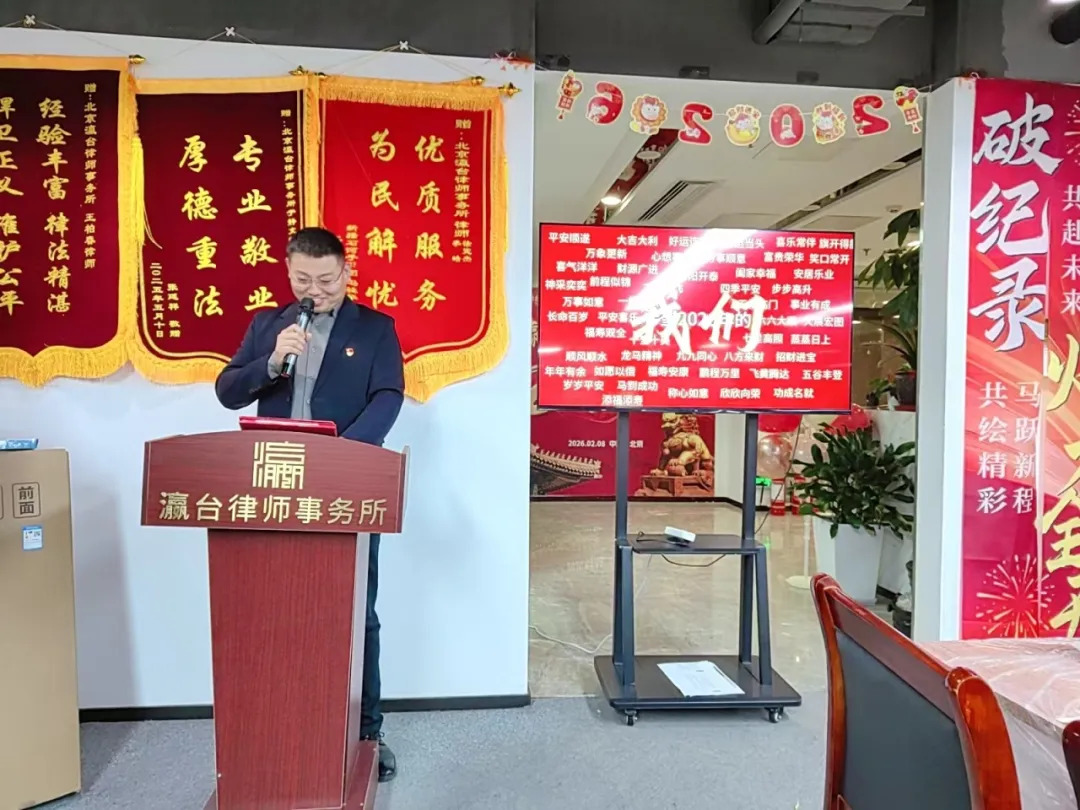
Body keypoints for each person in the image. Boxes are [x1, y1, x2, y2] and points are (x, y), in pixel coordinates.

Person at [215, 226, 404, 783]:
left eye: (326, 280)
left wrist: (342, 458)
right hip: (274, 489)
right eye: (303, 280)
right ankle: (279, 722)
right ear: (288, 272)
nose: (315, 291)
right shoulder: (267, 326)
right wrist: (272, 362)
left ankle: (368, 730)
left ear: (345, 272)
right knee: (275, 610)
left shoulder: (375, 328)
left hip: (345, 487)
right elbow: (228, 391)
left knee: (356, 612)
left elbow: (387, 397)